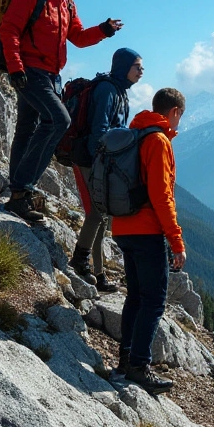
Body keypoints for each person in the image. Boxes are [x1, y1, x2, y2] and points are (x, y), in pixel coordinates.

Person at [0, 0, 123, 223]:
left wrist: (103, 30)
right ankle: (23, 188)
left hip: (52, 76)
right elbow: (9, 29)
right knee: (59, 120)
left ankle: (18, 195)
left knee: (27, 128)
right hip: (30, 72)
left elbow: (77, 37)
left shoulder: (66, 2)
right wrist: (16, 67)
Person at [109, 88, 187, 394]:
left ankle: (126, 361)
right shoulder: (158, 141)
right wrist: (176, 240)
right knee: (153, 301)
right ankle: (139, 367)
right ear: (175, 112)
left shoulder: (136, 133)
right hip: (146, 231)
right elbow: (161, 195)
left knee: (136, 298)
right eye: (180, 116)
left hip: (123, 227)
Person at [69, 47, 143, 291]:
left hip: (101, 161)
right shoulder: (108, 90)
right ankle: (80, 260)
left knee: (103, 217)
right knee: (98, 213)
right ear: (124, 67)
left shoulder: (119, 91)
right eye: (137, 66)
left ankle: (98, 274)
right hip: (90, 160)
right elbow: (99, 131)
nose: (141, 71)